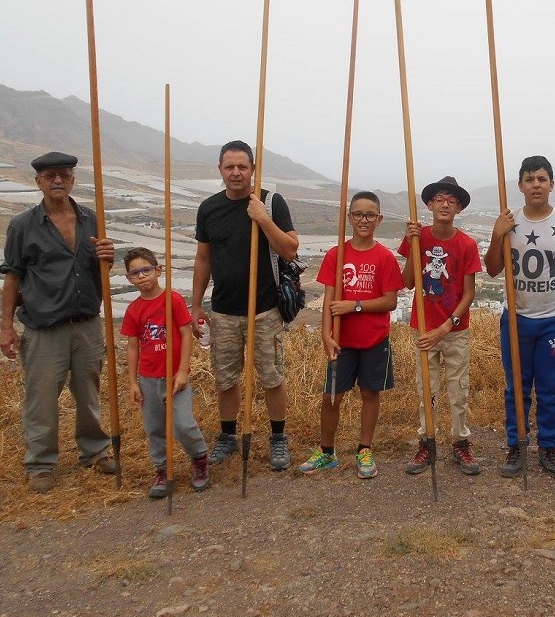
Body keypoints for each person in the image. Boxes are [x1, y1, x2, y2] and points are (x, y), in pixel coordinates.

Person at [0, 151, 115, 494]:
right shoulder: (22, 226)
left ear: (73, 180)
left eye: (63, 174)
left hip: (86, 323)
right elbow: (12, 277)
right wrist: (6, 327)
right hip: (43, 327)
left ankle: (95, 452)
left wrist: (108, 256)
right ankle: (41, 463)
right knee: (41, 398)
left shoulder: (93, 220)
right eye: (50, 176)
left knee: (88, 393)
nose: (58, 180)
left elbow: (100, 270)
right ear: (39, 182)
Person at [191, 141, 299, 471]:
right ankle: (227, 436)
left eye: (242, 166)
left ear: (253, 168)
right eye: (229, 167)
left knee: (271, 376)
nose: (236, 172)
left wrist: (263, 219)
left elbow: (290, 250)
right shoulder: (208, 209)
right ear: (220, 170)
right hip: (223, 310)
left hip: (265, 309)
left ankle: (278, 438)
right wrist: (195, 306)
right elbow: (203, 258)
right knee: (225, 379)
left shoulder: (270, 202)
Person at [485, 155, 555, 479]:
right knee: (517, 388)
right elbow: (492, 268)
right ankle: (517, 443)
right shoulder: (508, 221)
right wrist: (497, 235)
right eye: (529, 179)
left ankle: (549, 447)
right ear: (520, 185)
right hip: (516, 318)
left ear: (551, 184)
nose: (536, 184)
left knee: (551, 388)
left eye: (542, 178)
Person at [299, 192, 404, 478]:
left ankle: (364, 450)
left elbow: (390, 301)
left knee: (370, 393)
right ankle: (326, 452)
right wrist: (325, 334)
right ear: (349, 218)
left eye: (370, 215)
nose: (363, 220)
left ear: (379, 219)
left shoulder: (384, 257)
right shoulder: (336, 255)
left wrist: (355, 306)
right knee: (331, 396)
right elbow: (329, 300)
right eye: (358, 214)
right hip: (341, 341)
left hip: (374, 340)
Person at [399, 176, 483, 476]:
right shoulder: (418, 236)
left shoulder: (467, 244)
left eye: (451, 200)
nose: (445, 204)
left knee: (458, 388)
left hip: (454, 329)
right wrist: (412, 246)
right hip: (424, 327)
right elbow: (408, 282)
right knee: (427, 389)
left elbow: (469, 293)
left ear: (458, 207)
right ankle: (427, 440)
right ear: (430, 204)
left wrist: (446, 327)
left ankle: (461, 441)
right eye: (439, 199)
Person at [120, 247, 210, 498]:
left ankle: (200, 458)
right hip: (148, 378)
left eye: (146, 270)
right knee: (154, 427)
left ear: (158, 270)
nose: (142, 277)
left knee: (182, 424)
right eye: (135, 273)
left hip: (174, 376)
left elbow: (185, 333)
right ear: (128, 278)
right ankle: (162, 469)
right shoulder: (134, 310)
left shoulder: (173, 300)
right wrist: (133, 382)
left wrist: (183, 371)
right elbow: (132, 346)